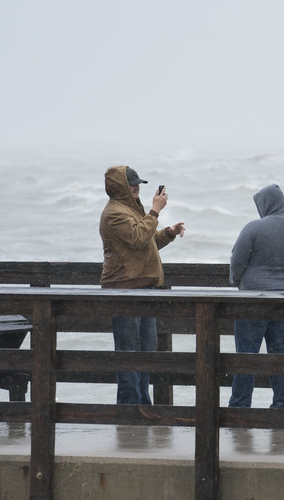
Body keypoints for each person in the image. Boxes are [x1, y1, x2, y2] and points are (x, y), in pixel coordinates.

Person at [99, 165, 186, 404]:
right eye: (132, 183)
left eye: (138, 183)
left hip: (143, 287)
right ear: (120, 187)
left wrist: (167, 233)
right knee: (129, 352)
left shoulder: (131, 210)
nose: (137, 187)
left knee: (146, 352)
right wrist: (155, 211)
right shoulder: (114, 214)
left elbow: (146, 242)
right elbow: (138, 239)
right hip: (125, 290)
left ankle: (142, 405)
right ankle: (129, 407)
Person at [228, 184, 284, 409]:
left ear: (264, 205)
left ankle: (239, 406)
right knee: (281, 357)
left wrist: (238, 282)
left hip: (252, 302)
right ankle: (282, 406)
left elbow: (237, 261)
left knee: (246, 356)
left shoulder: (253, 228)